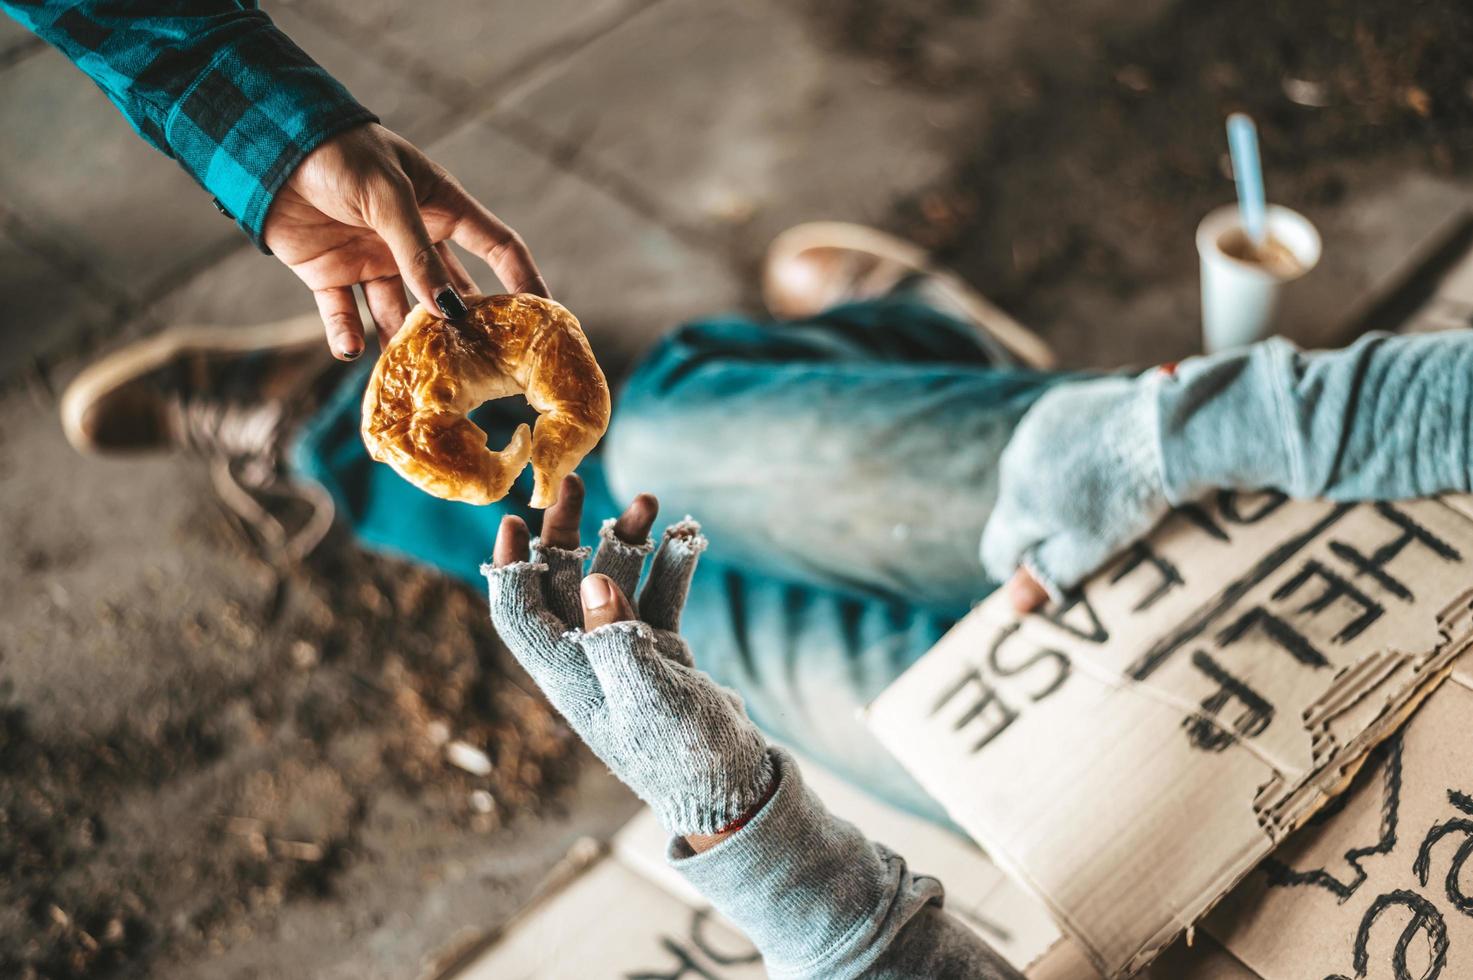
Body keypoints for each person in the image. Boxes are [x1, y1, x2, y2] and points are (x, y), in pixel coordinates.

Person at [16, 2, 1473, 975]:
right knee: (675, 456)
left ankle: (917, 349)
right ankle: (921, 365)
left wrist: (735, 820)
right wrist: (1170, 439)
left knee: (696, 620)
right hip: (1326, 534)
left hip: (1165, 782)